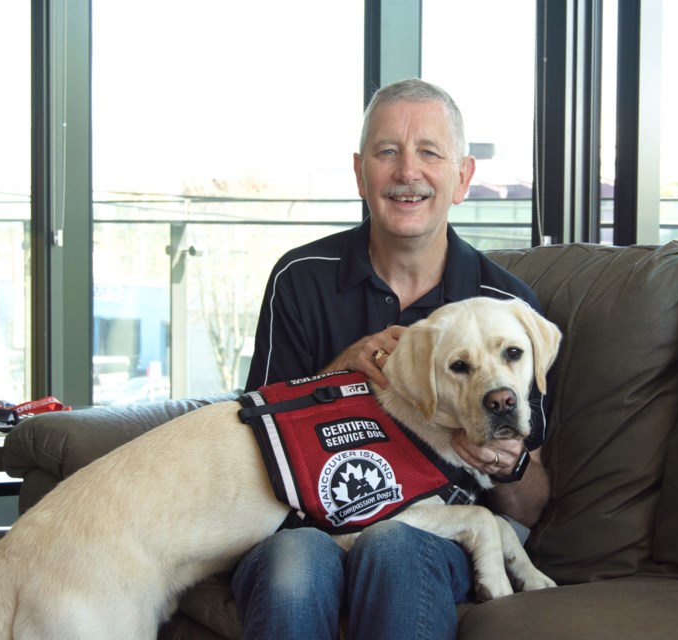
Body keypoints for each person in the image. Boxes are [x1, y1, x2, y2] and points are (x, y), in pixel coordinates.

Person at [232, 78, 551, 640]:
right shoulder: (300, 279)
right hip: (307, 527)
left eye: (430, 152)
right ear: (360, 173)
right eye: (387, 152)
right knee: (293, 564)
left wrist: (510, 461)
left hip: (436, 530)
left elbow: (530, 507)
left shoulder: (505, 310)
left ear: (463, 178)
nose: (408, 172)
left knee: (396, 546)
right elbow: (253, 451)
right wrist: (334, 377)